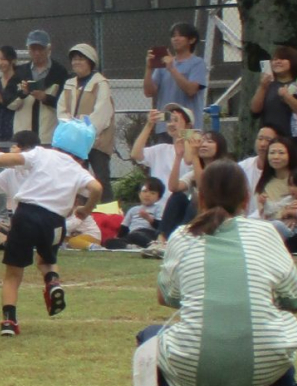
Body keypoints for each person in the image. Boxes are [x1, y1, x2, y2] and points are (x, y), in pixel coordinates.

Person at [129, 160, 297, 386]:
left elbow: (166, 297)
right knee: (275, 324)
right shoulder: (266, 232)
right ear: (246, 199)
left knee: (149, 335)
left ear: (199, 198)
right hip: (265, 361)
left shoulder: (182, 235)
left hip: (193, 360)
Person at [0, 117, 102, 337]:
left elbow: (10, 158)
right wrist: (86, 209)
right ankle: (52, 281)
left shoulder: (41, 153)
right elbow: (96, 187)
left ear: (56, 139)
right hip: (55, 222)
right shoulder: (79, 170)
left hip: (26, 215)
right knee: (48, 261)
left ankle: (9, 321)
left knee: (13, 273)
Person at [56, 42, 116, 192]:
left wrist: (86, 132)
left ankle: (106, 212)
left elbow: (102, 112)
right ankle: (79, 211)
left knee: (101, 178)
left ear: (90, 61)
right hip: (74, 141)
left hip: (97, 142)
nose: (76, 62)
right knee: (76, 179)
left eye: (81, 59)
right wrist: (70, 126)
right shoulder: (69, 84)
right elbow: (61, 109)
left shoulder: (100, 83)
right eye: (74, 59)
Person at [128, 105, 196, 234]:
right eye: (169, 120)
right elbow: (136, 154)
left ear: (188, 126)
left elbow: (189, 160)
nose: (171, 124)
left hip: (178, 209)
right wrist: (149, 125)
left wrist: (184, 132)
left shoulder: (193, 152)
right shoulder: (161, 149)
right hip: (154, 209)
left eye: (176, 120)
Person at [248, 44, 297, 166]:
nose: (277, 61)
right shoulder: (268, 85)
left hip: (296, 146)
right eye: (275, 59)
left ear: (293, 62)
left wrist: (288, 97)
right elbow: (254, 111)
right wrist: (262, 87)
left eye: (282, 59)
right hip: (272, 146)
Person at [142, 21, 209, 135]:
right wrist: (149, 68)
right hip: (165, 127)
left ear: (191, 40)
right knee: (166, 151)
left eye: (180, 36)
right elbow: (148, 92)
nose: (175, 39)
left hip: (189, 128)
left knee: (187, 152)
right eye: (173, 36)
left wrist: (172, 69)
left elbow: (191, 90)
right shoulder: (163, 64)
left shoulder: (197, 63)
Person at [14, 29, 67, 143]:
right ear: (28, 49)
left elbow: (65, 103)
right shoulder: (20, 71)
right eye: (33, 49)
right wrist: (22, 93)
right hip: (24, 135)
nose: (37, 53)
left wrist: (45, 98)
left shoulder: (60, 72)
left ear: (49, 49)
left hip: (49, 135)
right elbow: (9, 102)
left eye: (41, 48)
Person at [105, 178, 166, 249]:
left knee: (137, 236)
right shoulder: (133, 210)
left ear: (158, 198)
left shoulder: (158, 208)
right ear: (139, 194)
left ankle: (152, 246)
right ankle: (130, 247)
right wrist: (118, 237)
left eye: (152, 193)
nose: (147, 195)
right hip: (132, 233)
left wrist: (149, 219)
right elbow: (124, 227)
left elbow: (160, 227)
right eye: (144, 191)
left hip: (149, 233)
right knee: (109, 242)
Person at [237, 123, 281, 193]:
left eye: (268, 140)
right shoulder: (243, 167)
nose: (262, 144)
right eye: (260, 139)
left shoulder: (282, 171)